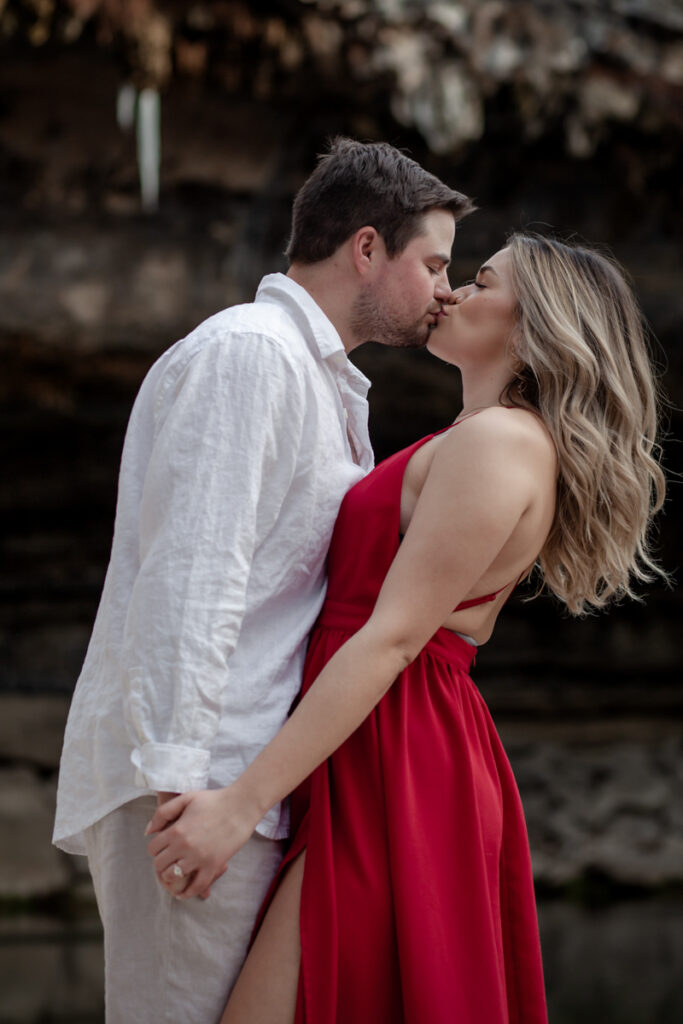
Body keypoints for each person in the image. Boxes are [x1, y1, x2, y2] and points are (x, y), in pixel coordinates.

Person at [146, 233, 667, 1023]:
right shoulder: (480, 438)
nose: (451, 291)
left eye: (481, 279)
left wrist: (238, 806)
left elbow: (391, 641)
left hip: (399, 754)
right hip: (369, 741)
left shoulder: (498, 445)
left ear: (533, 327)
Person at [52, 138, 474, 1023]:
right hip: (198, 785)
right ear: (366, 248)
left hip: (241, 784)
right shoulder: (252, 355)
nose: (446, 288)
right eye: (433, 262)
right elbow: (193, 578)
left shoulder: (320, 380)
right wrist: (186, 789)